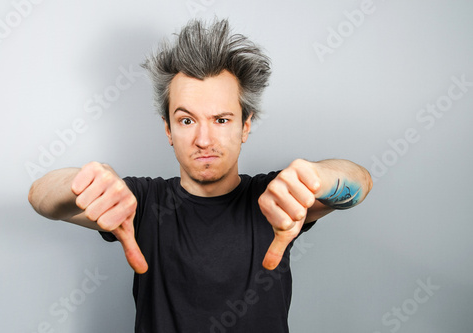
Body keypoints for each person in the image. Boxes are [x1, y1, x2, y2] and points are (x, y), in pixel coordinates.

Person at [28, 18, 372, 333]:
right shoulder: (137, 202)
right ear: (168, 129)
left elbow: (360, 181)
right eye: (186, 120)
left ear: (244, 126)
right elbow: (40, 197)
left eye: (221, 120)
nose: (203, 140)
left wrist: (321, 178)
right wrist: (83, 184)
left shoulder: (277, 197)